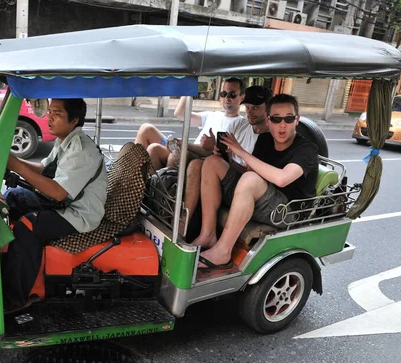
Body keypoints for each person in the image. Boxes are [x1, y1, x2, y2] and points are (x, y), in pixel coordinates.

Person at [2, 98, 107, 312]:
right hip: (64, 203)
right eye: (50, 111)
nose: (49, 117)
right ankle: (10, 261)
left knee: (28, 225)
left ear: (74, 119)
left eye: (57, 113)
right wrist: (13, 161)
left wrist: (19, 168)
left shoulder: (81, 149)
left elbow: (58, 193)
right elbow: (44, 168)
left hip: (79, 214)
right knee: (12, 197)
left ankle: (14, 300)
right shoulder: (65, 140)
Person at [194, 94, 319, 269]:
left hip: (288, 211)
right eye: (276, 119)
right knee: (213, 163)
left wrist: (241, 151)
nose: (282, 125)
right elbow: (250, 171)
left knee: (251, 180)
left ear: (297, 120)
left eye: (288, 119)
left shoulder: (307, 149)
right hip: (262, 198)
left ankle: (222, 251)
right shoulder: (265, 140)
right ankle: (208, 234)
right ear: (268, 121)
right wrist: (229, 158)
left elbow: (282, 179)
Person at [182, 85, 273, 230]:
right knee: (196, 164)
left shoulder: (268, 139)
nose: (250, 112)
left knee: (209, 163)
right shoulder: (239, 125)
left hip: (247, 185)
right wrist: (214, 148)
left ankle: (203, 231)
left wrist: (232, 157)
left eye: (255, 108)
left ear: (268, 108)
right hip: (226, 173)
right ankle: (184, 222)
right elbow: (220, 155)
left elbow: (253, 178)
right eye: (247, 107)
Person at [134, 78, 253, 170]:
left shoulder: (242, 124)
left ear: (242, 98)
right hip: (185, 149)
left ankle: (167, 192)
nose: (227, 98)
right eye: (223, 94)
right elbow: (180, 113)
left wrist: (211, 147)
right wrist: (189, 87)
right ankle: (131, 179)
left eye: (232, 94)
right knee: (146, 130)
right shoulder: (212, 115)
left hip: (198, 158)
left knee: (170, 152)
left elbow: (230, 157)